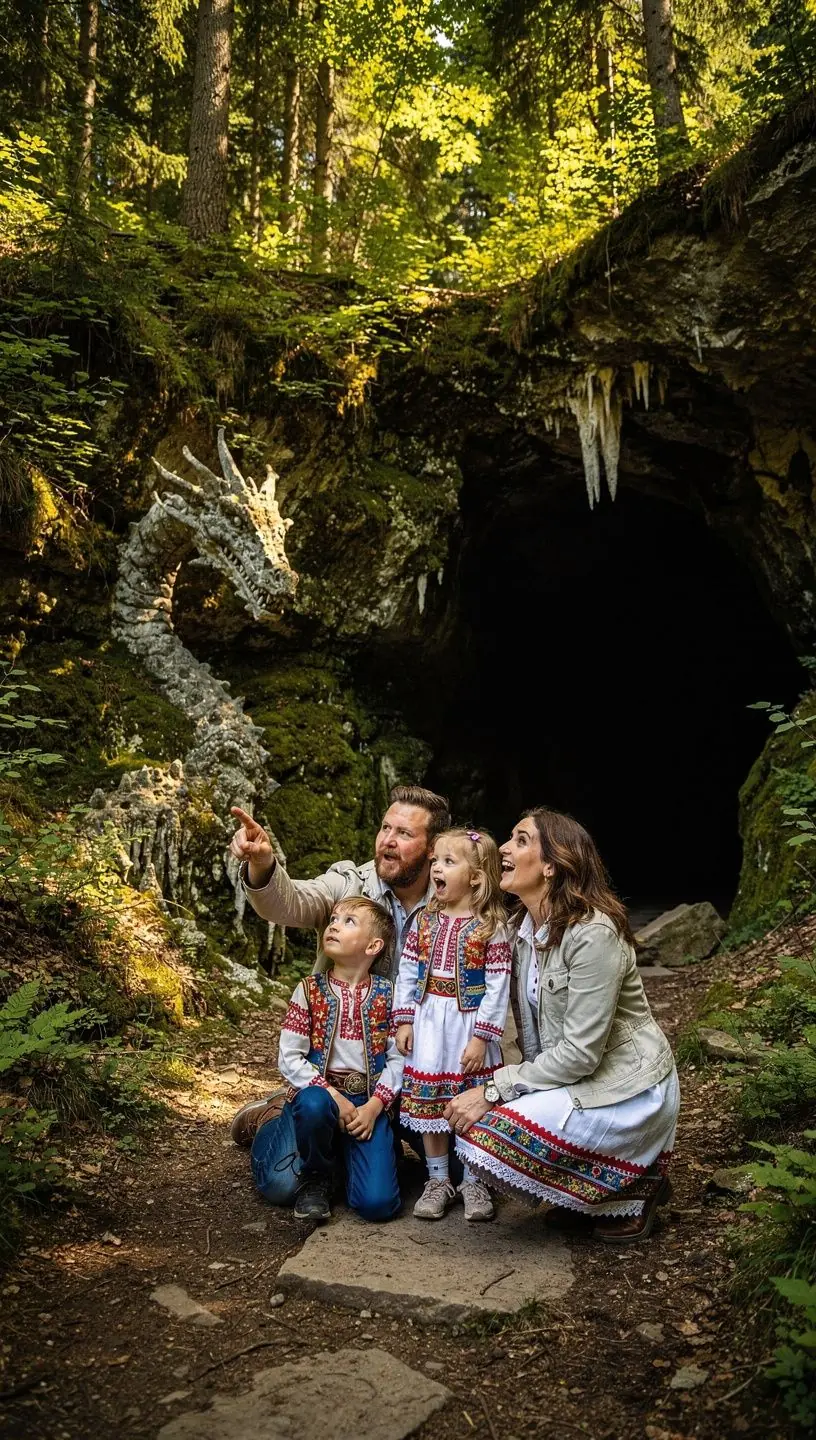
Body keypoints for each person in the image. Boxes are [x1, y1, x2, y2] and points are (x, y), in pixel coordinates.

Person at [443, 809, 680, 1245]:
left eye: (520, 840)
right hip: (575, 1081)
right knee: (479, 1131)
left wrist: (495, 1088)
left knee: (488, 1136)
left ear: (551, 865)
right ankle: (588, 1198)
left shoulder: (593, 934)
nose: (506, 849)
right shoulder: (519, 930)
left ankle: (637, 1186)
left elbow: (581, 1053)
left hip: (627, 1087)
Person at [235, 896, 404, 1223]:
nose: (334, 925)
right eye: (334, 920)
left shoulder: (388, 994)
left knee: (378, 1205)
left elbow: (398, 1059)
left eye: (348, 922)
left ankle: (340, 1158)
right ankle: (275, 1130)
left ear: (373, 946)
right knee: (280, 1187)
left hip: (367, 1104)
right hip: (317, 1097)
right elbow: (290, 1056)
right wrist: (334, 1097)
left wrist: (375, 1107)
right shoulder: (310, 990)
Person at [394, 829, 512, 1223]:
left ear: (476, 877)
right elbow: (408, 973)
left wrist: (482, 1038)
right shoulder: (424, 921)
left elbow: (497, 988)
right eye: (435, 862)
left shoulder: (491, 926)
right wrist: (406, 1019)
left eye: (448, 862)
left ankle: (475, 1180)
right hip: (430, 1023)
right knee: (431, 1105)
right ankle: (438, 1179)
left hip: (468, 1027)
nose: (436, 868)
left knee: (472, 1104)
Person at [229, 784, 451, 983]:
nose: (387, 841)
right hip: (346, 1026)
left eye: (404, 833)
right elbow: (288, 903)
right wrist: (262, 864)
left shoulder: (456, 900)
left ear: (433, 848)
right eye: (385, 828)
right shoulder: (349, 885)